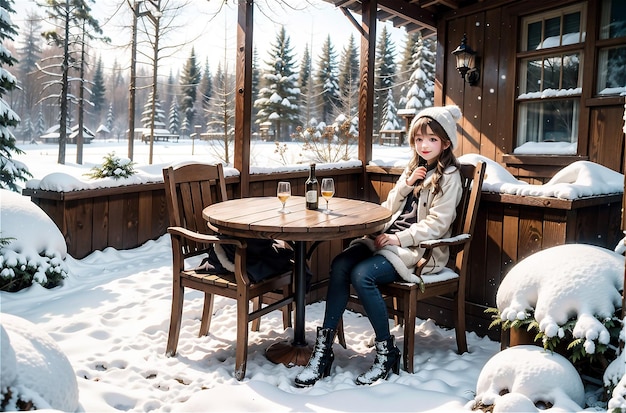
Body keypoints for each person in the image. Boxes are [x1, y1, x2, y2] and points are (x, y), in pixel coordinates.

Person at [295, 105, 464, 387]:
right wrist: (406, 185)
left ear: (446, 143)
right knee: (340, 265)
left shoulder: (450, 177)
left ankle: (387, 353)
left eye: (432, 139)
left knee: (363, 274)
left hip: (417, 250)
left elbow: (438, 224)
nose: (424, 145)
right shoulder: (414, 169)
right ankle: (323, 352)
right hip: (384, 239)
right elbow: (388, 208)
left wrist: (400, 238)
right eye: (419, 139)